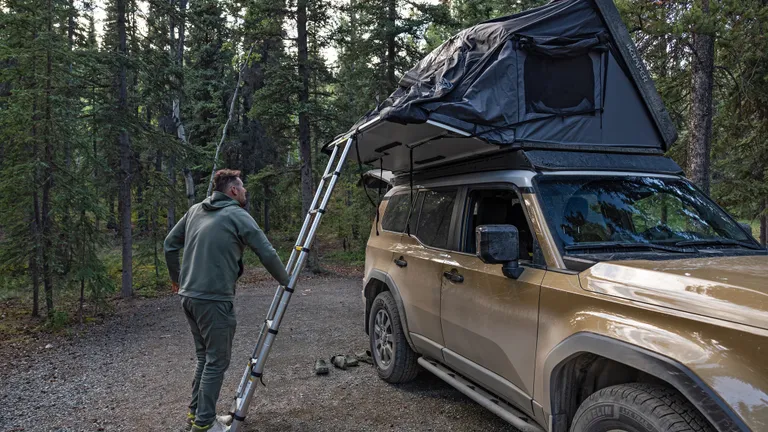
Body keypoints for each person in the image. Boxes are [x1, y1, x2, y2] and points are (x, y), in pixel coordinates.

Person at [164, 169, 291, 432]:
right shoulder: (237, 214)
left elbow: (169, 244)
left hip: (188, 297)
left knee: (205, 358)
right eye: (242, 187)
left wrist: (178, 280)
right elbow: (266, 251)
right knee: (216, 361)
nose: (245, 191)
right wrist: (286, 280)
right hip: (213, 300)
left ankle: (196, 415)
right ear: (233, 190)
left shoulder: (196, 210)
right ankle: (204, 424)